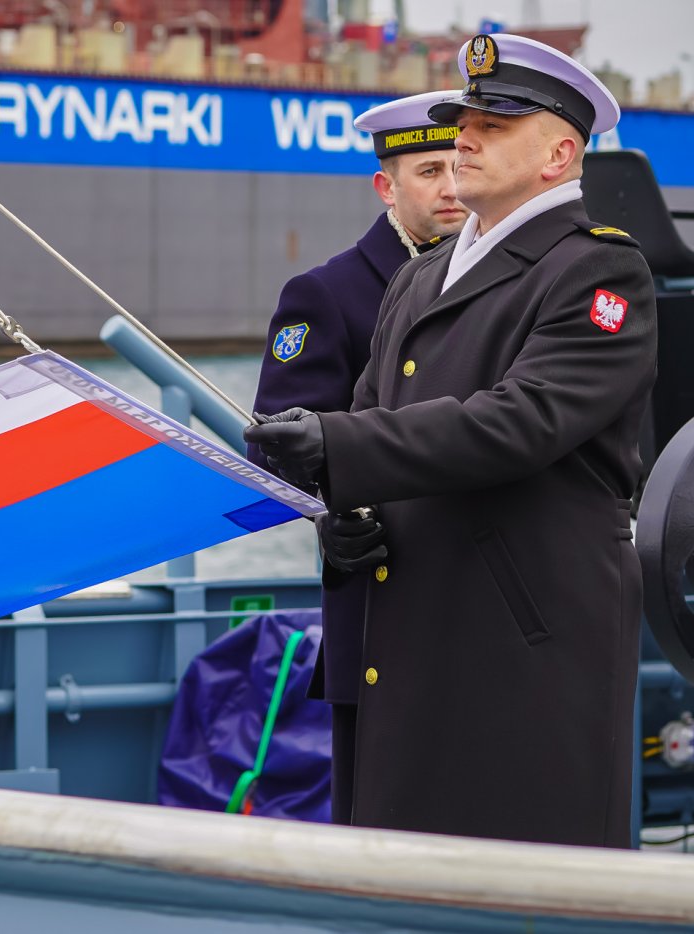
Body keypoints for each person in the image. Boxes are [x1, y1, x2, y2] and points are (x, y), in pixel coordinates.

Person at [244, 34, 656, 847]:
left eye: (494, 124)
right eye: (463, 120)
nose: (464, 137)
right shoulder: (421, 275)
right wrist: (346, 515)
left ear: (559, 152)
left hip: (521, 653)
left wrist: (336, 447)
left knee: (520, 885)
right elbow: (369, 416)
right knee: (398, 882)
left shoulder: (600, 274)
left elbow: (523, 419)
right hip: (409, 644)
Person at [247, 89, 469, 826]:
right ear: (387, 186)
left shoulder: (503, 282)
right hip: (377, 589)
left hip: (480, 598)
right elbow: (283, 444)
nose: (450, 188)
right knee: (380, 825)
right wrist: (332, 516)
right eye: (428, 171)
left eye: (457, 165)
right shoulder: (328, 294)